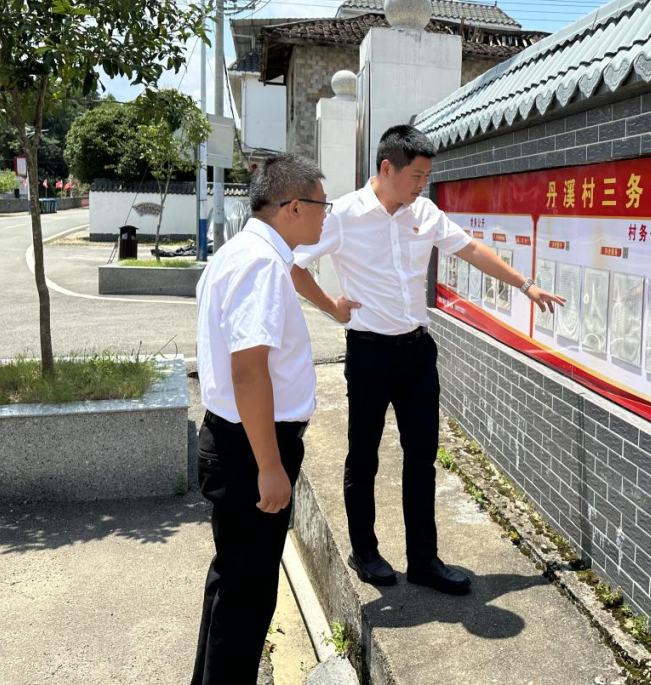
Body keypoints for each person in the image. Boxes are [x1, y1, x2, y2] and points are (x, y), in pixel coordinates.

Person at [291, 124, 565, 596]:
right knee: (364, 455)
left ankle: (423, 560)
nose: (423, 185)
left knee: (421, 458)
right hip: (369, 352)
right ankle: (365, 551)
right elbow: (295, 264)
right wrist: (331, 307)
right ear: (387, 168)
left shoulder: (425, 213)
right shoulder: (345, 214)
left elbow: (471, 247)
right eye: (416, 176)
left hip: (417, 353)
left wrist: (525, 285)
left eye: (426, 177)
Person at [191, 153, 349, 685]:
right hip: (250, 448)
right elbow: (249, 371)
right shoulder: (260, 264)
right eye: (322, 205)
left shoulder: (245, 252)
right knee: (247, 598)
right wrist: (270, 465)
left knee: (231, 584)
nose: (326, 215)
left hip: (237, 439)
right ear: (293, 207)